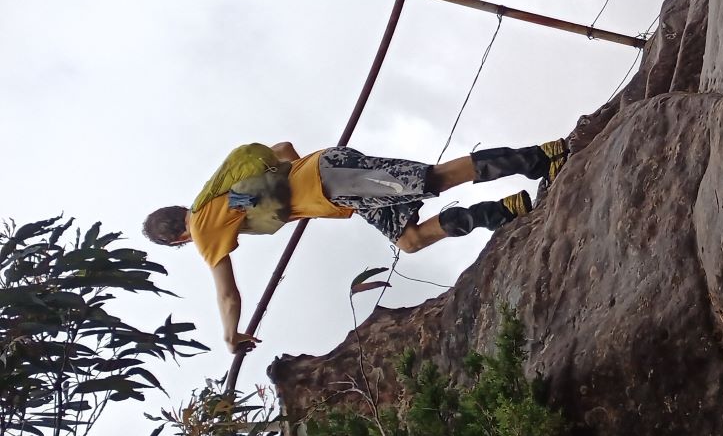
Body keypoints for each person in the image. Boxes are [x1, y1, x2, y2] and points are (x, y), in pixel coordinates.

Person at [143, 140, 568, 353]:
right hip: (333, 182)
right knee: (410, 239)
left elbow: (226, 291)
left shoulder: (203, 229)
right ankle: (504, 210)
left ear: (177, 238)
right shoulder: (216, 198)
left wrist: (230, 333)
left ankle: (539, 157)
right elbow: (283, 150)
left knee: (433, 179)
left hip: (332, 180)